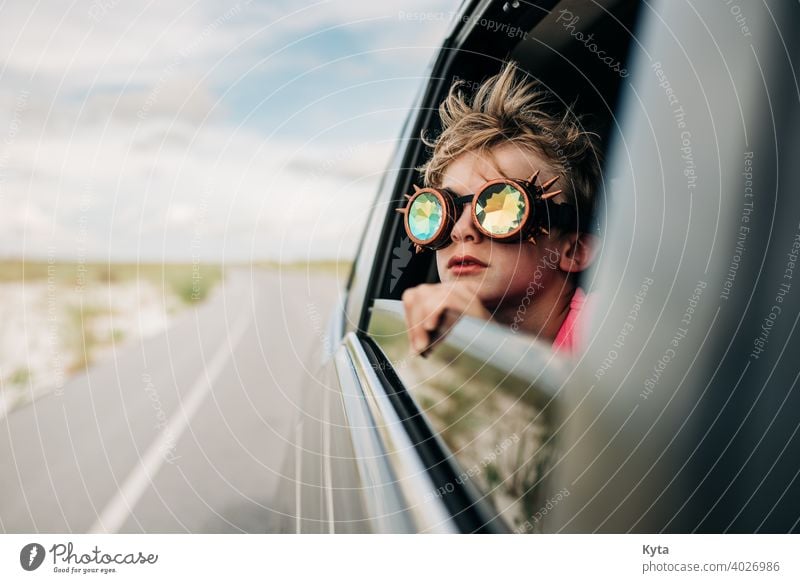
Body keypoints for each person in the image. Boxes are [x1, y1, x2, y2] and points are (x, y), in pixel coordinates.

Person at [399, 61, 601, 356]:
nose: (460, 230)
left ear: (574, 251)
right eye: (442, 212)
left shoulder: (608, 329)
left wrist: (487, 347)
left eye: (500, 207)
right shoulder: (435, 324)